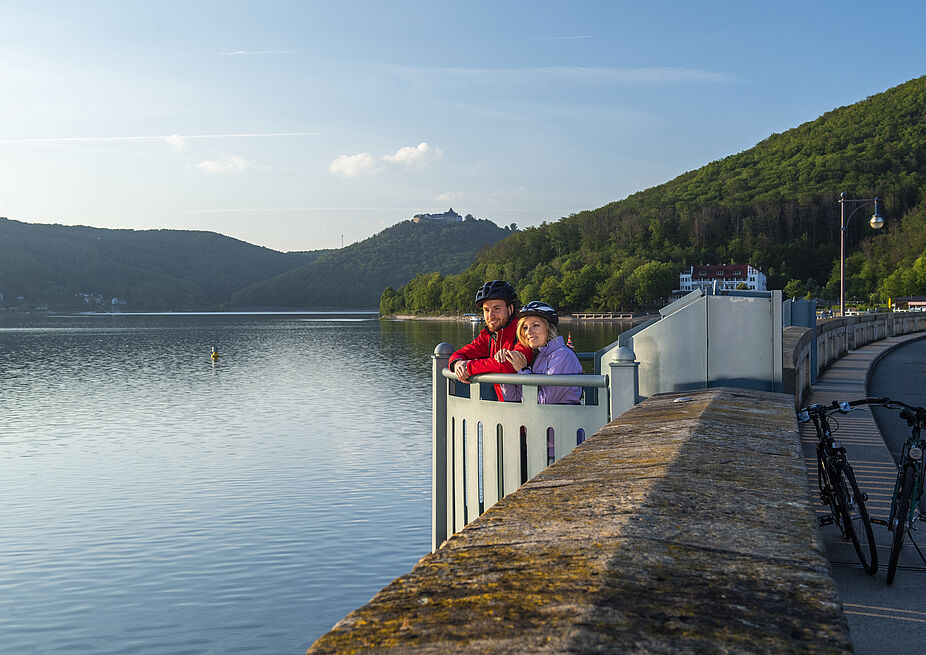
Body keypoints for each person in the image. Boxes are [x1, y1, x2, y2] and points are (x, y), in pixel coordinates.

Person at [448, 280, 534, 402]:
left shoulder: (524, 332)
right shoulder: (489, 336)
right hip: (503, 410)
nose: (491, 315)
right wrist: (457, 364)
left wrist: (468, 367)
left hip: (530, 411)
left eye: (496, 308)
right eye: (486, 310)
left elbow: (508, 365)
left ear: (511, 308)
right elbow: (460, 354)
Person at [496, 301, 582, 404]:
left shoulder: (562, 356)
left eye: (535, 325)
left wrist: (523, 370)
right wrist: (504, 366)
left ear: (549, 328)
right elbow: (515, 399)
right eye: (525, 327)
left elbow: (542, 402)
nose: (528, 332)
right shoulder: (538, 355)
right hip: (538, 418)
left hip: (562, 418)